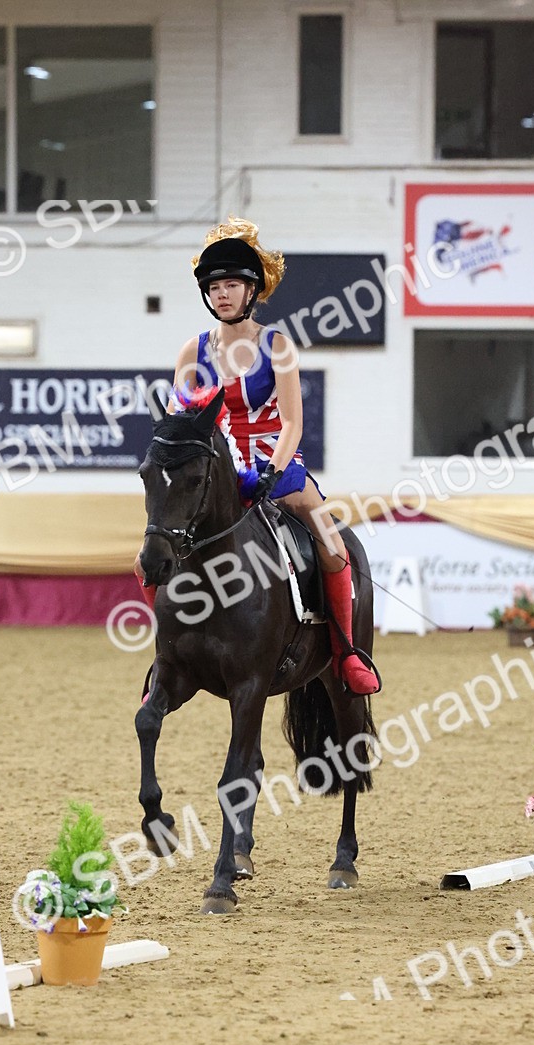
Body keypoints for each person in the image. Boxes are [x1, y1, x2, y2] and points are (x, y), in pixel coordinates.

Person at [137, 216, 379, 696]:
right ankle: (167, 655)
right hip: (217, 474)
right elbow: (180, 422)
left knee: (332, 547)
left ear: (252, 290)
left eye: (231, 285)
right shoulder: (192, 352)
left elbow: (292, 423)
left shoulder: (277, 346)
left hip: (277, 466)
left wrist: (272, 471)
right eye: (214, 287)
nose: (221, 295)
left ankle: (346, 651)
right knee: (146, 562)